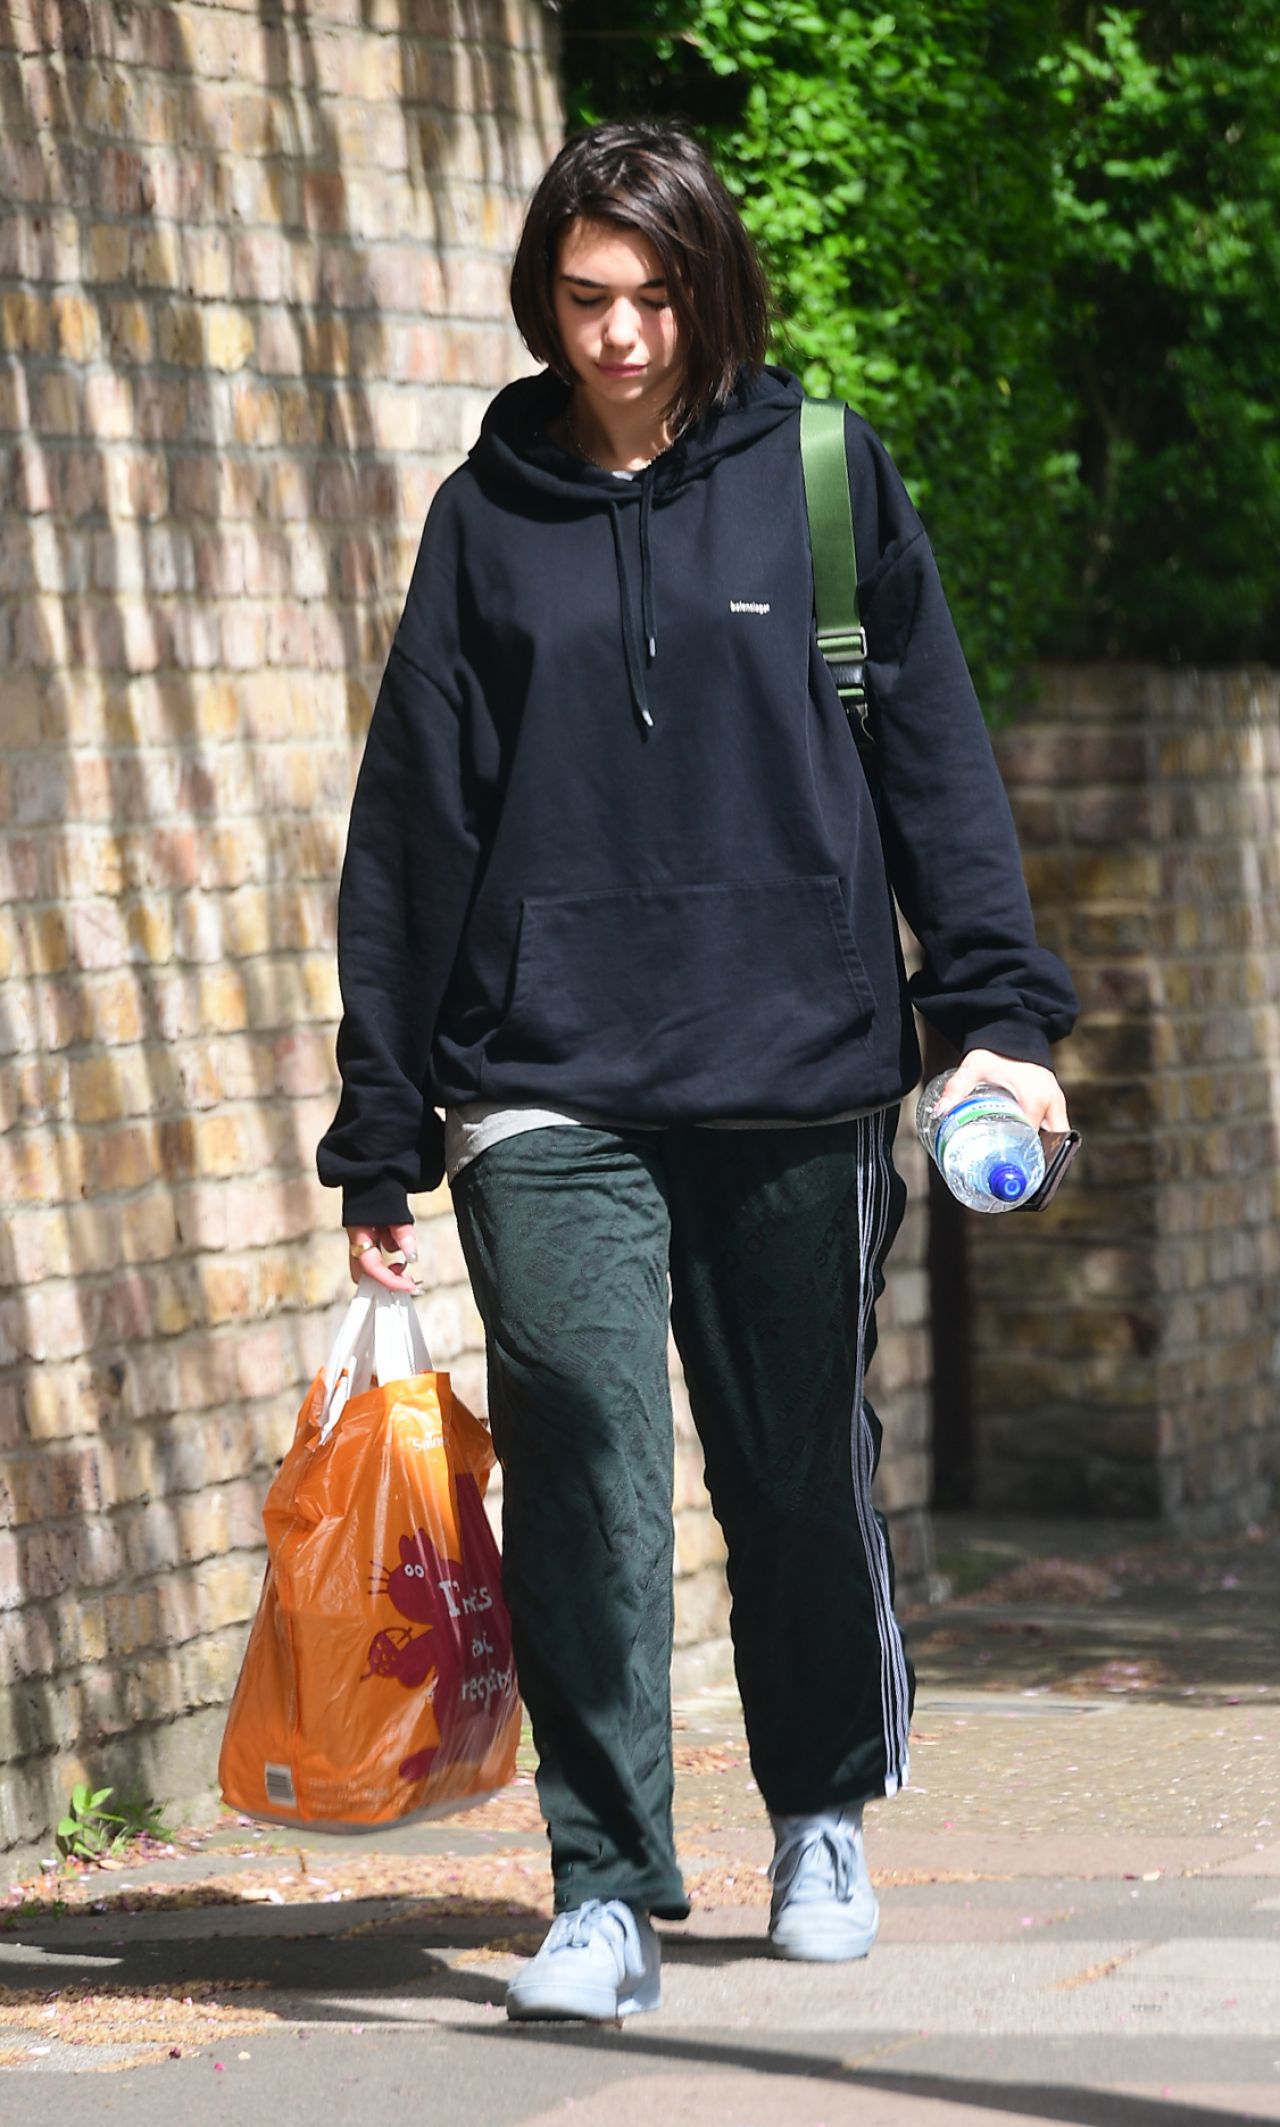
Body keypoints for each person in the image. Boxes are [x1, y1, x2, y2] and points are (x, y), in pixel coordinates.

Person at [317, 119, 1077, 2022]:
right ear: (542, 298)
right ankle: (603, 1886)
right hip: (543, 1074)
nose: (623, 335)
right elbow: (410, 831)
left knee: (792, 1470)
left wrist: (1002, 1018)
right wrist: (382, 1132)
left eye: (657, 296)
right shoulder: (487, 519)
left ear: (710, 290)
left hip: (796, 1069)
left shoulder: (822, 477)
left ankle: (821, 1802)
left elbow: (938, 774)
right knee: (578, 1462)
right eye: (586, 300)